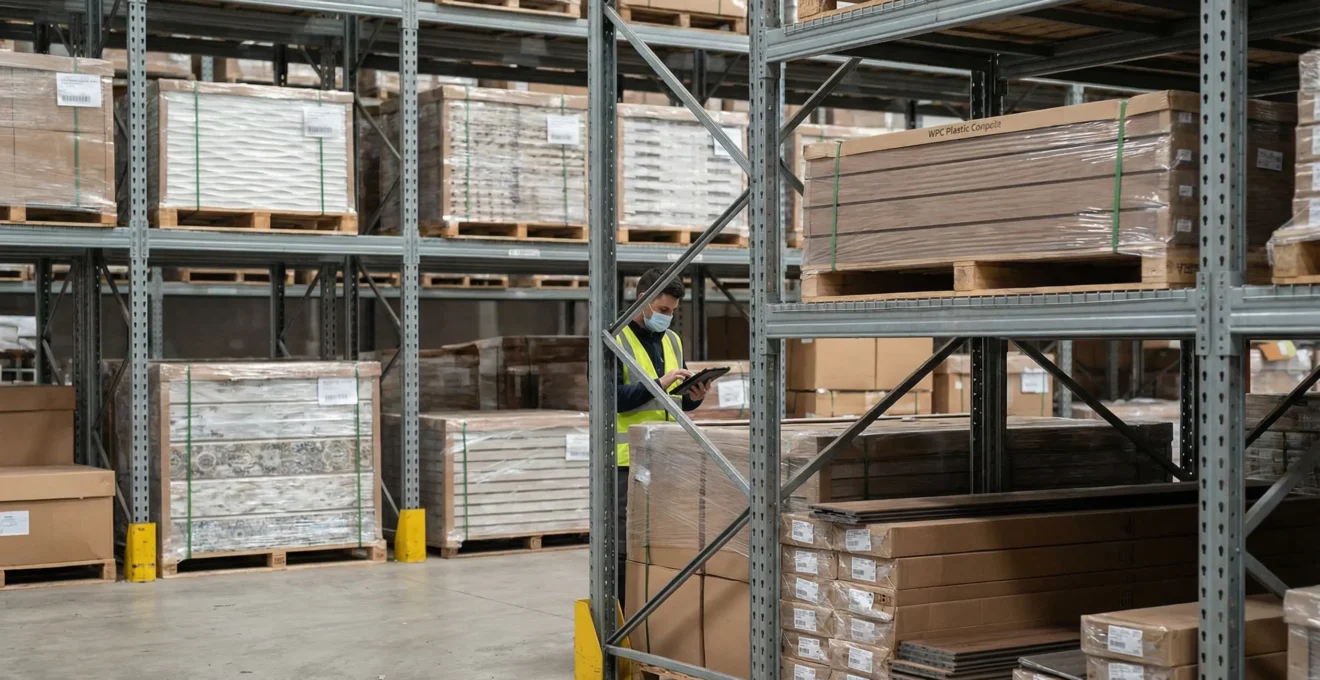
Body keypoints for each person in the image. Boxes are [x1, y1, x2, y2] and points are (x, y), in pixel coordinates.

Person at [614, 268, 710, 600]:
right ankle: (623, 620)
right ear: (642, 301)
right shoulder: (614, 338)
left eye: (672, 312)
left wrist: (692, 398)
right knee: (624, 548)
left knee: (663, 545)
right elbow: (612, 398)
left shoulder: (673, 340)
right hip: (626, 465)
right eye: (663, 310)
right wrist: (660, 384)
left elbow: (674, 403)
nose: (667, 318)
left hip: (666, 461)